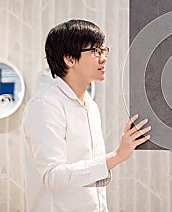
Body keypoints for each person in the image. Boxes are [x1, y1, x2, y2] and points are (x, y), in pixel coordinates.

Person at [23, 19, 151, 212]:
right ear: (69, 59)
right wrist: (116, 156)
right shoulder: (45, 105)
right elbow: (52, 177)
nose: (103, 58)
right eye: (95, 51)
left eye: (103, 50)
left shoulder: (91, 106)